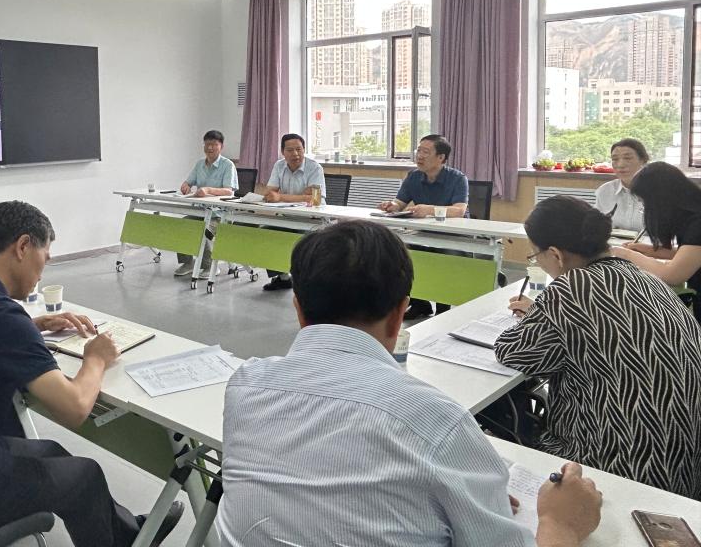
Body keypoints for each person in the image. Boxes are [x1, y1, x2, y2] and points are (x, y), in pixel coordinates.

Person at [217, 220, 602, 547]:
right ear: (401, 313)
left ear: (298, 309)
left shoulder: (245, 386)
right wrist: (560, 525)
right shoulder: (436, 421)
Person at [0, 201, 183, 547]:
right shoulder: (2, 317)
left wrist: (32, 325)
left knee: (50, 450)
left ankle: (129, 535)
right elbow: (75, 408)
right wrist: (96, 358)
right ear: (23, 246)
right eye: (45, 256)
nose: (43, 270)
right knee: (84, 475)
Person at [497, 196, 701, 498]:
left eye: (535, 256)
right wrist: (543, 314)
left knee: (501, 414)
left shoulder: (570, 288)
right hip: (684, 472)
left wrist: (539, 314)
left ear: (556, 254)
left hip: (615, 469)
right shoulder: (648, 280)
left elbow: (513, 352)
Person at [378, 134, 469, 318]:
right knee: (402, 253)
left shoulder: (458, 178)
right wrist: (391, 206)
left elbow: (459, 210)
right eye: (418, 150)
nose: (419, 156)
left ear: (441, 157)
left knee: (442, 257)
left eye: (425, 152)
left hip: (453, 235)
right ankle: (420, 304)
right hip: (424, 233)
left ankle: (443, 308)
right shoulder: (413, 176)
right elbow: (400, 203)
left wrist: (429, 210)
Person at [611, 161, 701, 325]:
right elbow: (691, 255)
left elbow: (673, 275)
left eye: (646, 203)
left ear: (661, 200)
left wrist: (625, 254)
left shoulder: (697, 222)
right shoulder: (693, 212)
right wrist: (651, 250)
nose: (646, 209)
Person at [261, 133, 326, 291]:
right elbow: (269, 193)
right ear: (283, 152)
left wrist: (281, 197)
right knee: (267, 232)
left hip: (312, 220)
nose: (295, 154)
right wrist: (301, 196)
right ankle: (283, 277)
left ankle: (308, 282)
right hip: (288, 216)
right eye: (290, 150)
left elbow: (314, 199)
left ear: (304, 149)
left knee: (302, 240)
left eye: (299, 149)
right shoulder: (279, 166)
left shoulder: (314, 167)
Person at [174, 129, 238, 277]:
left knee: (203, 228)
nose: (210, 147)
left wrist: (208, 190)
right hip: (200, 211)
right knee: (182, 225)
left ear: (221, 146)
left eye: (214, 144)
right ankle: (188, 263)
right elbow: (188, 181)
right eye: (207, 144)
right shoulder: (199, 164)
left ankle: (210, 266)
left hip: (220, 215)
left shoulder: (228, 165)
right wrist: (185, 185)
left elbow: (229, 191)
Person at [593, 138, 647, 232]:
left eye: (628, 158)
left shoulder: (660, 191)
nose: (621, 165)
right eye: (615, 159)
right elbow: (596, 225)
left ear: (643, 160)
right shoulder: (605, 190)